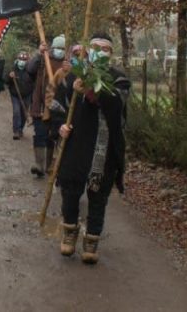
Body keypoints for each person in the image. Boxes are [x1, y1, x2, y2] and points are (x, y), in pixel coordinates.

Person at [56, 33, 131, 264]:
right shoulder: (75, 76)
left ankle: (91, 240)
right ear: (88, 50)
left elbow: (116, 105)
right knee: (70, 189)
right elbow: (63, 108)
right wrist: (62, 127)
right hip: (77, 143)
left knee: (98, 196)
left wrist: (90, 90)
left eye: (104, 49)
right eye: (95, 47)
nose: (100, 52)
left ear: (111, 53)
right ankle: (69, 233)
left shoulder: (119, 80)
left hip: (104, 148)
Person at [25, 34, 67, 177]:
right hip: (41, 106)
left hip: (58, 107)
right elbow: (30, 69)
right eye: (57, 48)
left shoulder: (67, 64)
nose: (60, 51)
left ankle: (49, 166)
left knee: (51, 137)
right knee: (40, 134)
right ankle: (39, 165)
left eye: (62, 48)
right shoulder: (43, 59)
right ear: (52, 47)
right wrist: (39, 53)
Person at [7, 50, 33, 139]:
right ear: (17, 59)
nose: (22, 61)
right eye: (20, 59)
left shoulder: (30, 71)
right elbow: (6, 81)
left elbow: (34, 83)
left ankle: (21, 129)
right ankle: (16, 131)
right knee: (16, 112)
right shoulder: (13, 69)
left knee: (23, 113)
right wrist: (9, 77)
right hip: (15, 95)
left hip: (27, 95)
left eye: (24, 60)